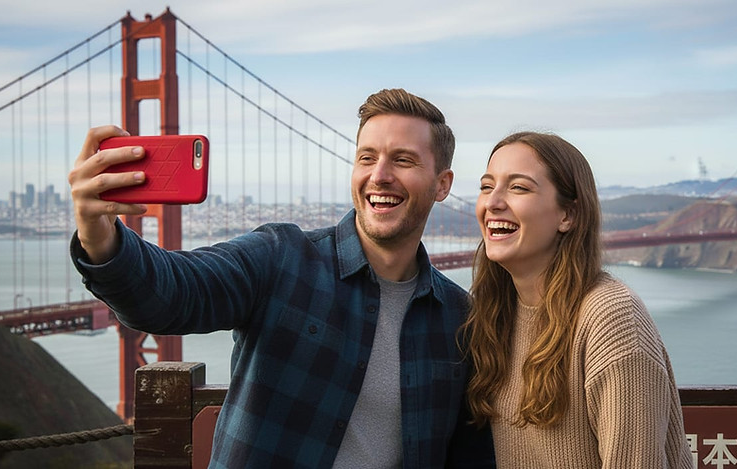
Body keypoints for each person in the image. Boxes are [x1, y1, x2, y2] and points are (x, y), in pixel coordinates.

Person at [68, 88, 494, 468]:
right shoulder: (281, 256)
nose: (379, 174)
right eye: (366, 157)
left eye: (402, 160)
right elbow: (171, 295)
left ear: (442, 185)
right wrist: (100, 236)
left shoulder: (461, 319)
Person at [461, 131, 692, 468]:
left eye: (518, 187)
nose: (492, 202)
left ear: (567, 215)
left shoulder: (612, 319)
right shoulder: (494, 313)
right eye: (486, 186)